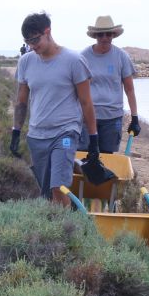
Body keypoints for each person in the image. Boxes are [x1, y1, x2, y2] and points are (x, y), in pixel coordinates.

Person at [11, 12, 105, 205]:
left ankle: (66, 224)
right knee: (46, 194)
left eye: (35, 40)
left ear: (48, 32)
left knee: (58, 188)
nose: (32, 46)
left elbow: (86, 102)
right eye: (28, 42)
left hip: (65, 133)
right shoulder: (26, 62)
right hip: (37, 135)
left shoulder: (74, 61)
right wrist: (16, 132)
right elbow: (21, 101)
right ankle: (66, 219)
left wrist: (94, 139)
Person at [79, 15, 141, 153]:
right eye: (100, 34)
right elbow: (76, 89)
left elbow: (129, 89)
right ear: (95, 36)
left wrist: (135, 117)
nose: (105, 38)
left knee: (107, 157)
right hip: (87, 117)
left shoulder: (122, 56)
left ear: (113, 35)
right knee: (84, 156)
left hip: (112, 118)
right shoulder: (83, 57)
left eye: (108, 34)